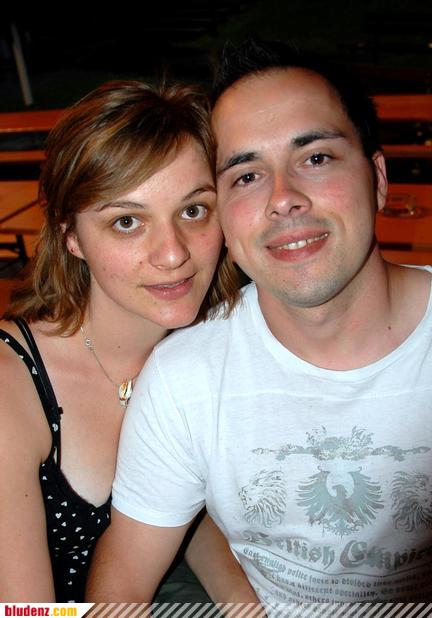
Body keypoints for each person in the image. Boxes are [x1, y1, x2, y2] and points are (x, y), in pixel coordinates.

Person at [87, 40, 432, 605]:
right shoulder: (184, 377)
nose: (283, 199)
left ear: (377, 179)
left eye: (316, 158)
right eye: (246, 176)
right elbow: (124, 574)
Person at [0, 79, 258, 603]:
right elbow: (25, 611)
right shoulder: (13, 386)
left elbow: (178, 511)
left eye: (193, 211)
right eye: (126, 221)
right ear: (71, 236)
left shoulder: (208, 344)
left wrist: (245, 604)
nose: (172, 253)